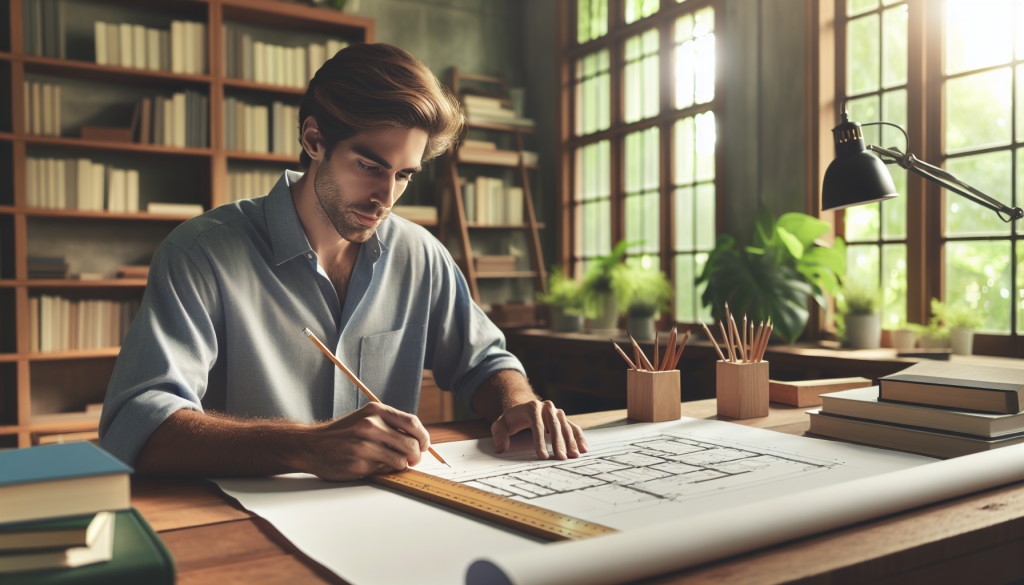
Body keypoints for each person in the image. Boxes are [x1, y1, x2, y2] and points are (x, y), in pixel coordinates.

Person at [98, 43, 588, 480]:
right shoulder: (199, 254)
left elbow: (484, 362)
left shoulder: (422, 256)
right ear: (315, 140)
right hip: (245, 525)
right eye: (370, 166)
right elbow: (137, 424)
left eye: (403, 175)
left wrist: (517, 403)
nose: (385, 197)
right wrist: (305, 447)